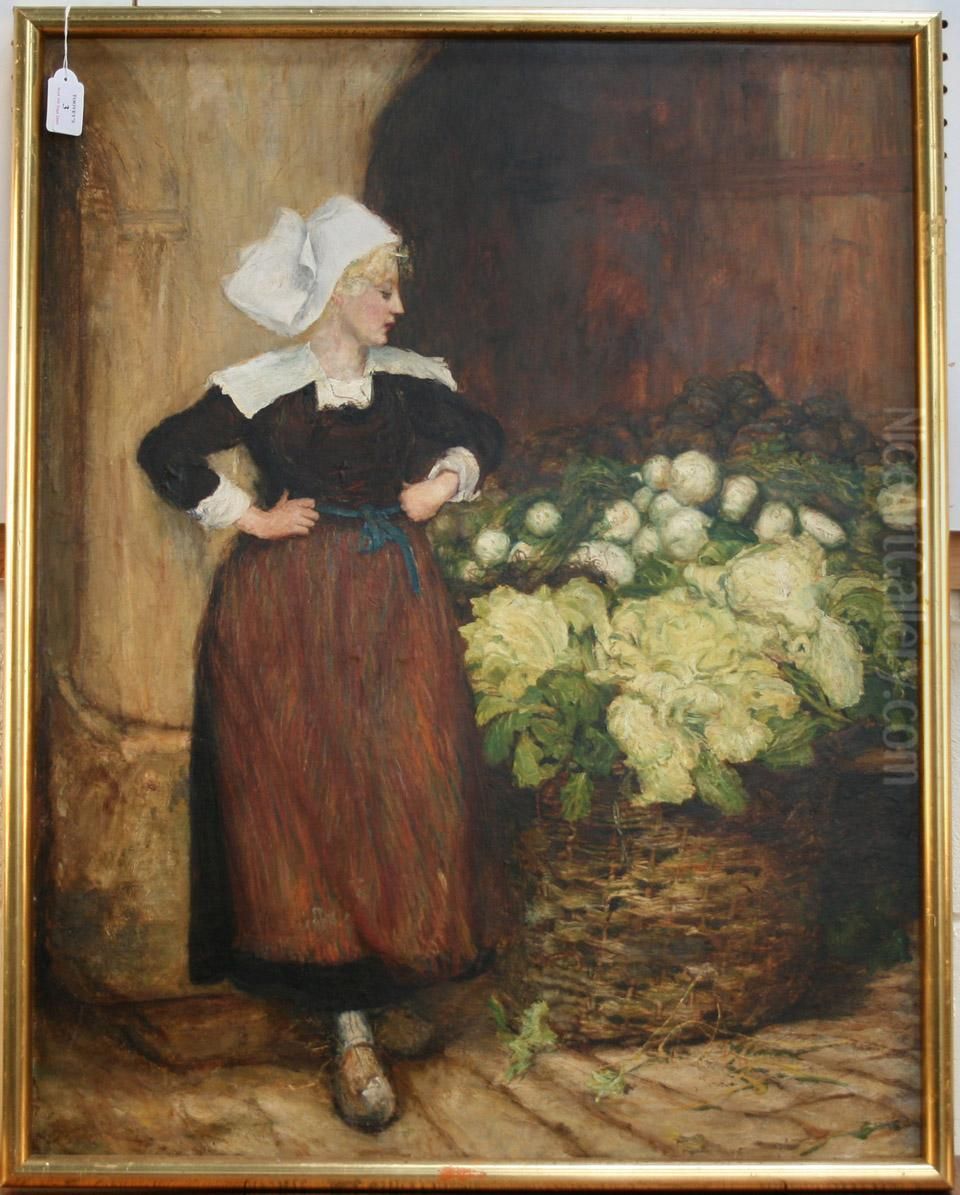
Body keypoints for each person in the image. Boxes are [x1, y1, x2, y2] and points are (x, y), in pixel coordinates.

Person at [137, 196, 506, 1131]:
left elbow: (485, 436)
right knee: (315, 791)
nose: (396, 307)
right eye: (381, 290)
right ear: (339, 292)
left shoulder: (409, 383)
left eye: (394, 290)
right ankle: (347, 1024)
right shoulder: (268, 384)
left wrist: (443, 482)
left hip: (394, 609)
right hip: (288, 615)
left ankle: (382, 980)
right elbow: (165, 451)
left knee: (397, 785)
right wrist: (251, 516)